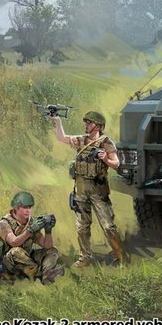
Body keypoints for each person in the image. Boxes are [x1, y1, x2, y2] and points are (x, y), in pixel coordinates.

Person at [52, 110, 128, 267]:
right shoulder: (81, 140)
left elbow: (116, 164)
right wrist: (57, 121)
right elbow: (62, 138)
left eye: (89, 122)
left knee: (108, 226)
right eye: (86, 122)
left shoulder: (106, 142)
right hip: (81, 191)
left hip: (98, 191)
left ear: (98, 126)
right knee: (82, 227)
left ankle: (121, 257)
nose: (86, 125)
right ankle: (84, 258)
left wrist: (105, 159)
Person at [0, 191, 63, 283]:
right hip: (8, 262)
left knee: (52, 250)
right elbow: (14, 242)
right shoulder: (4, 223)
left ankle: (46, 276)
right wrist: (30, 230)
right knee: (16, 251)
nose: (28, 210)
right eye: (24, 207)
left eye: (29, 207)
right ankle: (40, 273)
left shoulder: (31, 222)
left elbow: (46, 245)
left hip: (26, 258)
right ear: (16, 208)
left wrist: (48, 230)